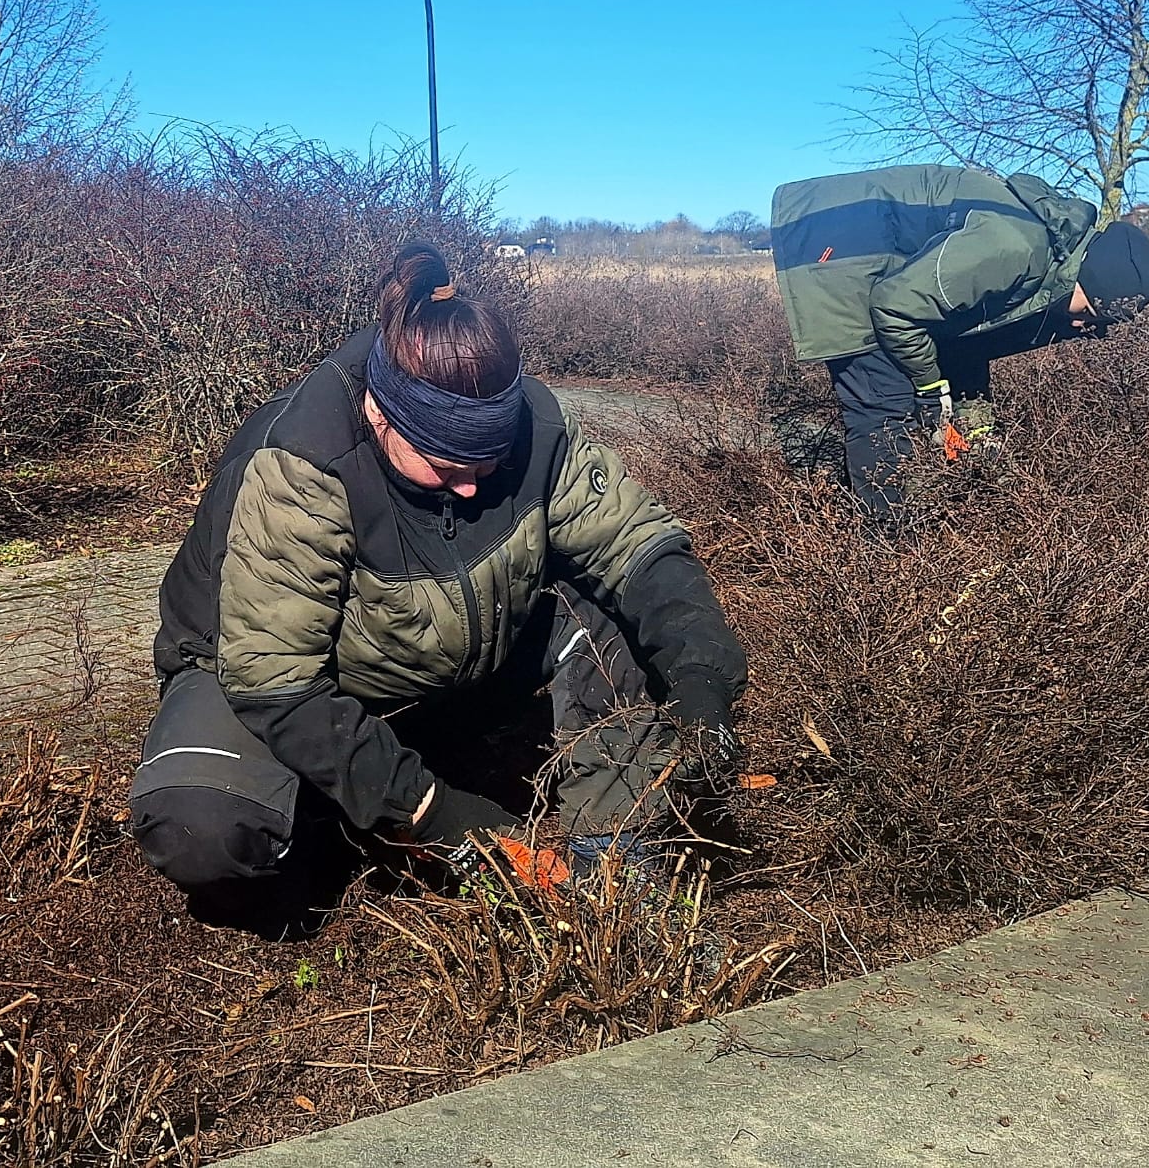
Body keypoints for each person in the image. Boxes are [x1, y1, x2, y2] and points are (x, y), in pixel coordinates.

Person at [132, 243, 748, 916]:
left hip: (448, 665)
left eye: (489, 459)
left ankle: (609, 853)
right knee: (201, 826)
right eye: (447, 465)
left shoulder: (531, 423)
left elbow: (639, 547)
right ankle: (323, 822)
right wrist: (435, 812)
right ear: (380, 413)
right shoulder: (302, 464)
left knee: (612, 615)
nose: (473, 482)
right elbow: (274, 680)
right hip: (263, 676)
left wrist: (702, 676)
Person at [769, 164, 1149, 514]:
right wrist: (929, 389)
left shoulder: (1050, 266)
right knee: (884, 404)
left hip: (880, 268)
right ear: (1089, 282)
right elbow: (895, 308)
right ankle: (890, 546)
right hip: (839, 251)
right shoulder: (1013, 248)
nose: (1084, 329)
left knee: (908, 392)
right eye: (1091, 316)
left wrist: (976, 426)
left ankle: (909, 520)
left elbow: (963, 334)